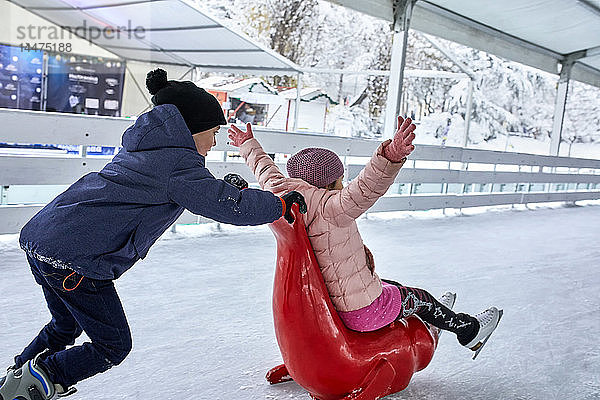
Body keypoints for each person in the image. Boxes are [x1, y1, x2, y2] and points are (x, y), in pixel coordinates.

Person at [0, 68, 306, 400]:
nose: (214, 141)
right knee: (112, 344)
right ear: (193, 129)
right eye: (213, 132)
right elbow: (225, 205)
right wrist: (278, 204)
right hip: (76, 259)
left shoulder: (146, 149)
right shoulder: (177, 165)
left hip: (46, 239)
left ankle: (17, 375)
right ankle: (38, 382)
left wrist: (228, 191)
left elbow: (192, 193)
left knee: (65, 326)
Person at [227, 117, 501, 356]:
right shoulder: (333, 206)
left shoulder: (282, 193)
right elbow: (368, 186)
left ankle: (430, 316)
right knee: (421, 298)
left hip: (331, 301)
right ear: (333, 182)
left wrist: (247, 144)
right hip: (360, 311)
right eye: (341, 179)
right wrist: (391, 155)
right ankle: (469, 330)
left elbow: (265, 169)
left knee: (389, 284)